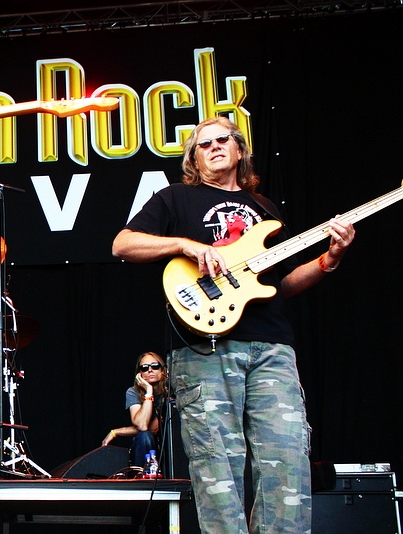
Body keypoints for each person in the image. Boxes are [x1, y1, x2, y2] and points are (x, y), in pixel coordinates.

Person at [111, 116, 355, 533]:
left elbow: (282, 284)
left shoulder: (266, 210)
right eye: (203, 145)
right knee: (216, 469)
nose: (214, 147)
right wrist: (185, 244)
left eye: (223, 140)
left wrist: (328, 260)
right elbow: (123, 243)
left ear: (240, 150)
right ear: (194, 158)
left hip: (272, 347)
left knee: (288, 463)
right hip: (205, 347)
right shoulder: (175, 199)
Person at [101, 351, 168, 468]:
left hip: (170, 443)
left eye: (155, 366)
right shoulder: (133, 392)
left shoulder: (172, 389)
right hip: (147, 447)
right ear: (139, 374)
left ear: (163, 370)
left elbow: (156, 427)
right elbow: (142, 426)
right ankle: (144, 480)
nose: (150, 370)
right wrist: (149, 391)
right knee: (144, 436)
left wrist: (117, 432)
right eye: (144, 368)